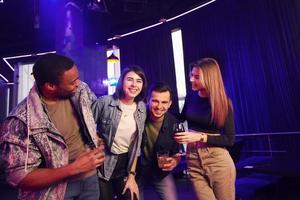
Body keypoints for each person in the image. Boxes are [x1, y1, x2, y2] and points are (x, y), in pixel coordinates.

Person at [0, 53, 105, 200]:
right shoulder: (20, 121)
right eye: (72, 81)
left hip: (90, 180)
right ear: (50, 86)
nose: (78, 83)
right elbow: (18, 176)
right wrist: (74, 168)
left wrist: (96, 136)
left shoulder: (80, 90)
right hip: (55, 190)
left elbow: (90, 115)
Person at [174, 58, 236, 200]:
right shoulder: (190, 97)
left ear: (209, 78)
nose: (191, 79)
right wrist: (159, 108)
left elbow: (229, 139)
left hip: (217, 160)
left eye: (196, 77)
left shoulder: (223, 102)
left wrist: (201, 136)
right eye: (191, 75)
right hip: (193, 159)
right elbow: (180, 118)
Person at [92, 66, 147, 200]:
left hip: (126, 166)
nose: (134, 84)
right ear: (121, 82)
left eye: (139, 81)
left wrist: (131, 176)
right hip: (102, 166)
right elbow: (86, 128)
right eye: (130, 79)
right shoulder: (104, 102)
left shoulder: (142, 107)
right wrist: (96, 139)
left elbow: (136, 146)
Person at [137, 82, 181, 200]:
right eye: (155, 101)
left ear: (170, 104)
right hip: (136, 171)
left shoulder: (174, 123)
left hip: (160, 171)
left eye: (164, 102)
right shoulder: (137, 115)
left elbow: (177, 153)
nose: (159, 106)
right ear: (148, 100)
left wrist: (175, 161)